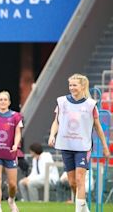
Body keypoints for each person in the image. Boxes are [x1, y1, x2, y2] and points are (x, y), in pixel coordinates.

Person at [48, 74, 110, 212]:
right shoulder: (62, 101)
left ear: (82, 86)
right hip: (66, 145)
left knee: (80, 178)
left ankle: (78, 210)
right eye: (70, 85)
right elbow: (56, 121)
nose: (72, 88)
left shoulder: (90, 104)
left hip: (83, 147)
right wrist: (52, 135)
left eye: (75, 85)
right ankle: (84, 207)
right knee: (72, 182)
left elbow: (98, 127)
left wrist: (105, 146)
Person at [0, 91, 23, 212]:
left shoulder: (16, 116)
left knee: (12, 184)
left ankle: (11, 200)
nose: (2, 102)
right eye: (0, 99)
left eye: (5, 99)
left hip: (10, 154)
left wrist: (16, 145)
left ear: (9, 102)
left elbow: (18, 133)